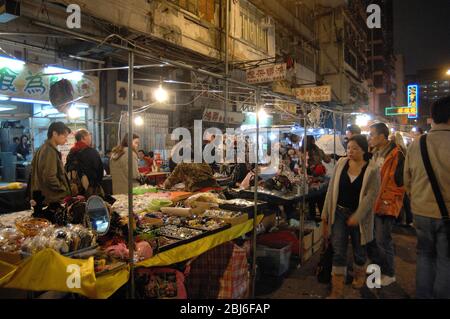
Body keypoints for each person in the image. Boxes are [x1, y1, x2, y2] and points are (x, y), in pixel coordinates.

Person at [321, 135, 380, 298]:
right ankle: (337, 290)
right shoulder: (341, 163)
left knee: (359, 250)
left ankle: (359, 273)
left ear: (363, 150)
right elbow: (331, 190)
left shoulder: (372, 170)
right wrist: (325, 213)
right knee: (338, 250)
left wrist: (358, 215)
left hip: (360, 217)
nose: (350, 151)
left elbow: (371, 196)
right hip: (339, 212)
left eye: (355, 148)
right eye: (348, 148)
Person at [404, 96, 450, 298]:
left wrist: (417, 200)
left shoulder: (417, 143)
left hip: (421, 212)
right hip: (447, 214)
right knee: (445, 259)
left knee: (424, 256)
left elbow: (407, 180)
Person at [367, 122, 406, 286]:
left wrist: (387, 199)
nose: (370, 138)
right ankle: (378, 271)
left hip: (386, 203)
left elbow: (400, 182)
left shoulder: (396, 154)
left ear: (382, 137)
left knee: (383, 240)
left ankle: (390, 273)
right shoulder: (376, 153)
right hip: (375, 202)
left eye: (372, 135)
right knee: (374, 239)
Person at [30, 122, 71, 208]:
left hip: (44, 197)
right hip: (50, 199)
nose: (66, 139)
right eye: (64, 136)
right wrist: (63, 188)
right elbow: (49, 177)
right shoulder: (49, 151)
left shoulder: (43, 148)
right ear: (55, 133)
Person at [65, 129, 104, 198]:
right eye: (89, 135)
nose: (90, 137)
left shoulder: (71, 153)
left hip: (75, 190)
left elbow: (66, 169)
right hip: (90, 190)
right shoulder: (91, 152)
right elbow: (100, 170)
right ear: (83, 137)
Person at [304, 135, 331, 220]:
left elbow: (301, 166)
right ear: (313, 141)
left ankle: (312, 217)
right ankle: (323, 219)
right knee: (320, 199)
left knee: (311, 200)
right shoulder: (319, 150)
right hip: (320, 179)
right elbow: (327, 160)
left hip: (309, 179)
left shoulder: (303, 152)